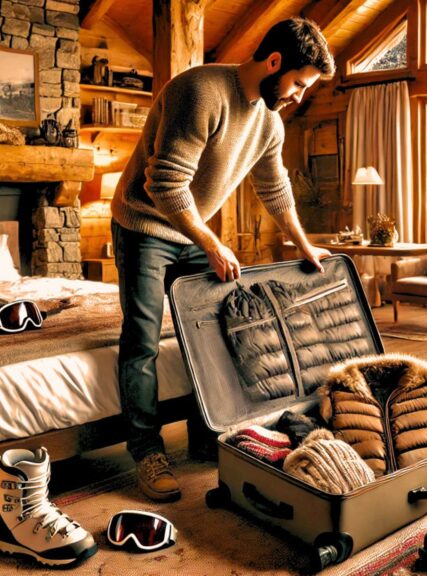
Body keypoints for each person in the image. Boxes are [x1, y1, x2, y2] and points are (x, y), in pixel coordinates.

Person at [110, 17, 336, 502]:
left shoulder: (269, 122)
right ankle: (147, 450)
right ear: (274, 62)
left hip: (192, 227)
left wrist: (303, 243)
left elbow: (275, 190)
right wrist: (212, 243)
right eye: (298, 83)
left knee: (209, 337)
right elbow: (164, 185)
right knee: (142, 339)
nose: (298, 96)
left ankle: (206, 435)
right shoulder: (200, 91)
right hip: (145, 223)